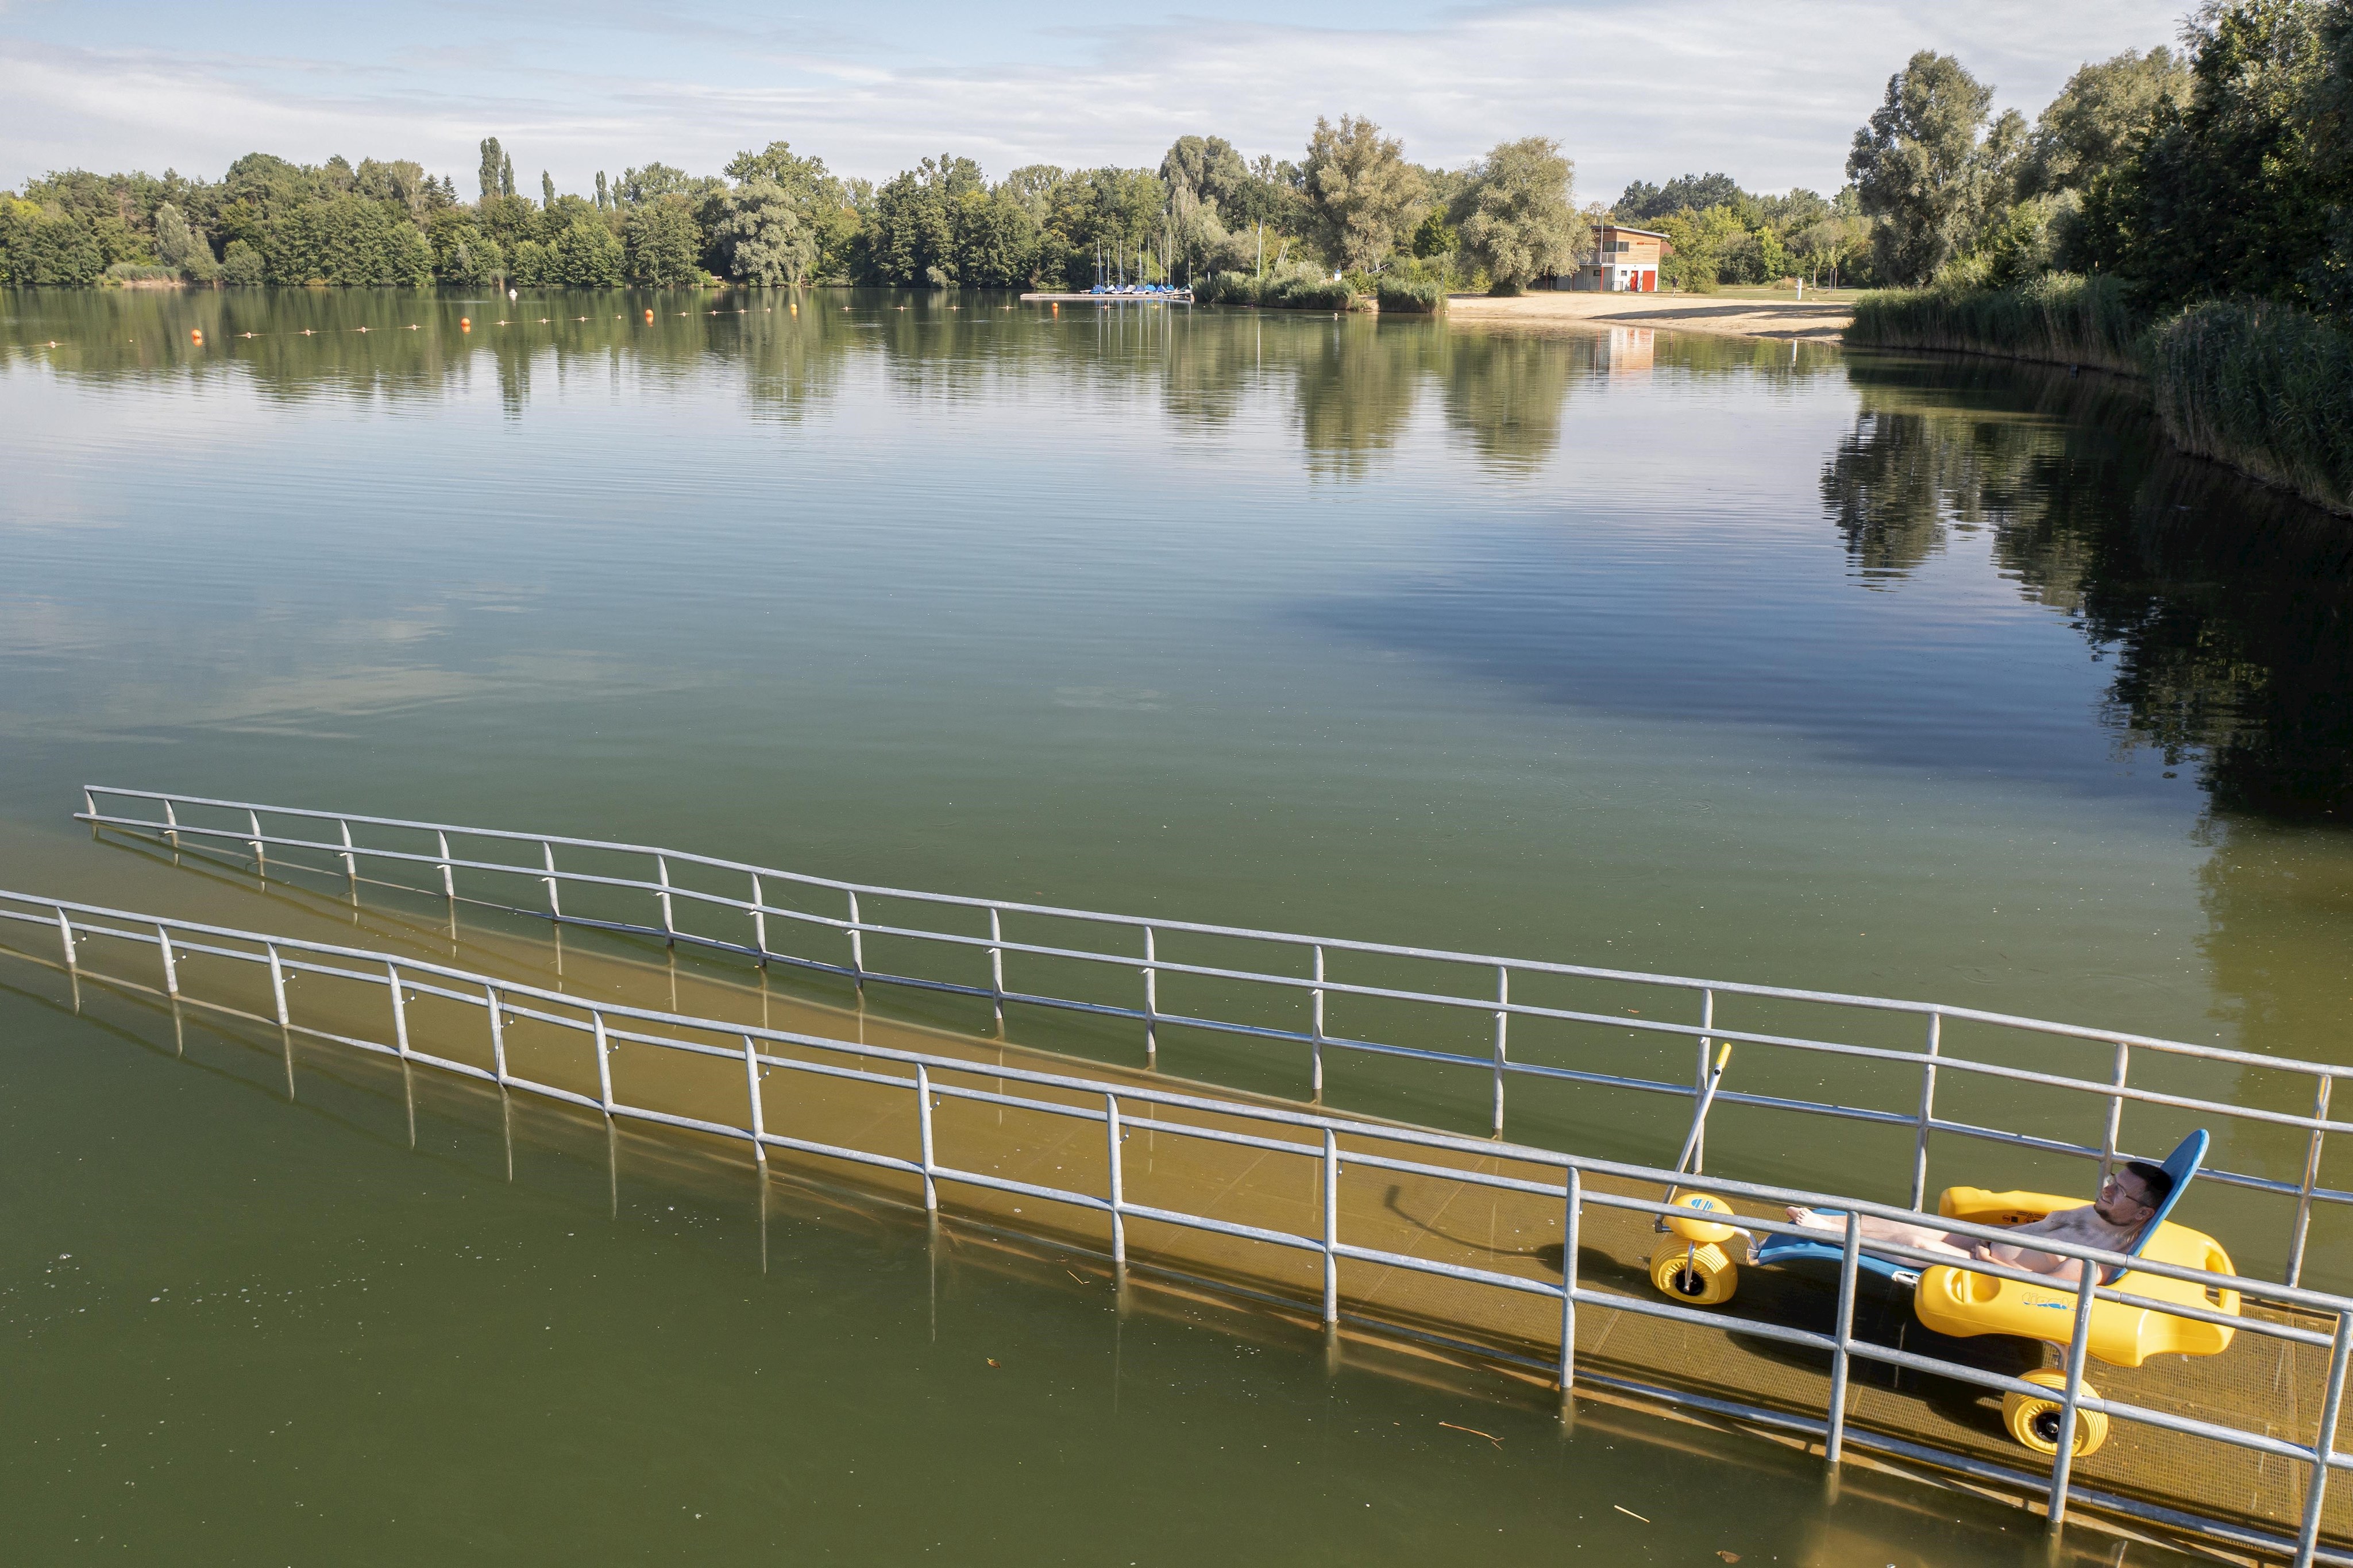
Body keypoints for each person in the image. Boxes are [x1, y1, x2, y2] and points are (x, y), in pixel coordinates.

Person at [1772, 1161, 2173, 1286]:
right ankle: (1834, 1221)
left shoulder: (2103, 1257)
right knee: (1915, 1223)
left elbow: (2052, 1288)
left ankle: (1824, 1232)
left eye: (2119, 1192)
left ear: (2141, 1215)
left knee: (1920, 1245)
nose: (2107, 1192)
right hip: (1990, 1242)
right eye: (2111, 1182)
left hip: (1988, 1268)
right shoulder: (2098, 1212)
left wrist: (1994, 1262)